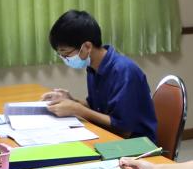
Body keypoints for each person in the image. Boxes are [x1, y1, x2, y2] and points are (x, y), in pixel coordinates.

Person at [42, 10, 158, 140]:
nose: (64, 58)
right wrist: (71, 101)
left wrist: (78, 110)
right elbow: (95, 108)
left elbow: (124, 130)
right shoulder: (93, 67)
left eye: (66, 53)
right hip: (112, 136)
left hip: (137, 143)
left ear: (87, 47)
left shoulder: (124, 72)